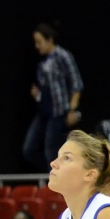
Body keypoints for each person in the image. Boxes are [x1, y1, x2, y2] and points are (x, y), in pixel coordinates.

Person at [24, 21, 84, 170]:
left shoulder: (63, 56)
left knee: (51, 150)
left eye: (39, 42)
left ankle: (58, 176)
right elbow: (47, 89)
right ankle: (54, 171)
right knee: (29, 149)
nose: (37, 46)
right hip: (44, 111)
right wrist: (38, 95)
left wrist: (72, 110)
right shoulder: (42, 63)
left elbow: (76, 84)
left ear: (50, 39)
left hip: (58, 112)